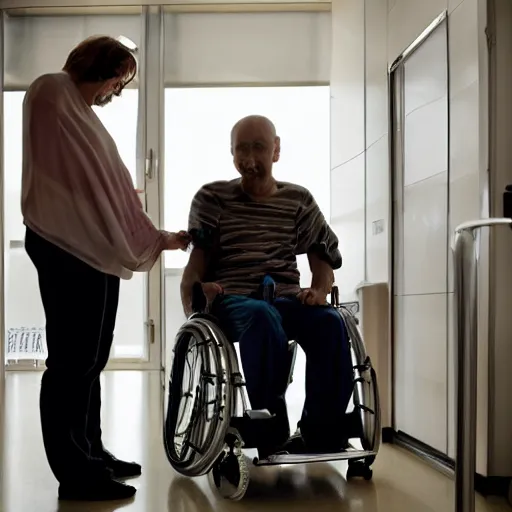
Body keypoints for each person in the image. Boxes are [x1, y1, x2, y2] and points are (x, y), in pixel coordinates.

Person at [22, 36, 189, 502]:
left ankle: (92, 453)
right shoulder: (52, 90)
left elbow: (106, 183)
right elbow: (90, 179)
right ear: (104, 68)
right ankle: (75, 472)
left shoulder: (80, 111)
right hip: (64, 244)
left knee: (91, 358)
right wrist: (145, 233)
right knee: (71, 361)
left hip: (89, 246)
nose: (116, 90)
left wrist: (155, 236)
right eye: (119, 78)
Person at [180, 115, 355, 459]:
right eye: (240, 150)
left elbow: (323, 259)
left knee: (330, 323)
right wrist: (197, 296)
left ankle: (321, 429)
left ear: (276, 150)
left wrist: (318, 292)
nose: (248, 159)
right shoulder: (213, 197)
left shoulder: (298, 200)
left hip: (287, 299)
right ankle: (270, 423)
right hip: (234, 301)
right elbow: (196, 262)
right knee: (262, 316)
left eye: (257, 148)